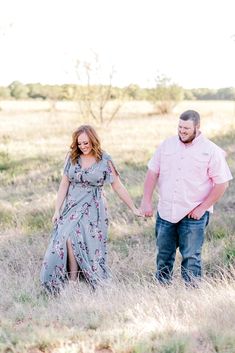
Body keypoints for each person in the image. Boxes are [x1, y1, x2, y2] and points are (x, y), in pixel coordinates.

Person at [40, 125, 141, 293]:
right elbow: (64, 183)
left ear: (94, 141)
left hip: (93, 208)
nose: (83, 147)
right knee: (66, 238)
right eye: (79, 144)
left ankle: (79, 279)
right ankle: (70, 280)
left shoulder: (104, 160)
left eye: (86, 143)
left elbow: (118, 186)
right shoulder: (72, 157)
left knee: (86, 243)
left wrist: (133, 208)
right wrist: (57, 210)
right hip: (72, 207)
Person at [141, 110, 233, 285]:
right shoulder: (167, 145)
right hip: (166, 210)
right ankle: (161, 289)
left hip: (193, 213)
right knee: (163, 255)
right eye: (180, 127)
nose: (182, 131)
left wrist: (202, 208)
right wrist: (146, 200)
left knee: (191, 257)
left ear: (197, 128)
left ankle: (191, 294)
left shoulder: (210, 150)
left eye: (186, 128)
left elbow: (222, 184)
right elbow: (153, 172)